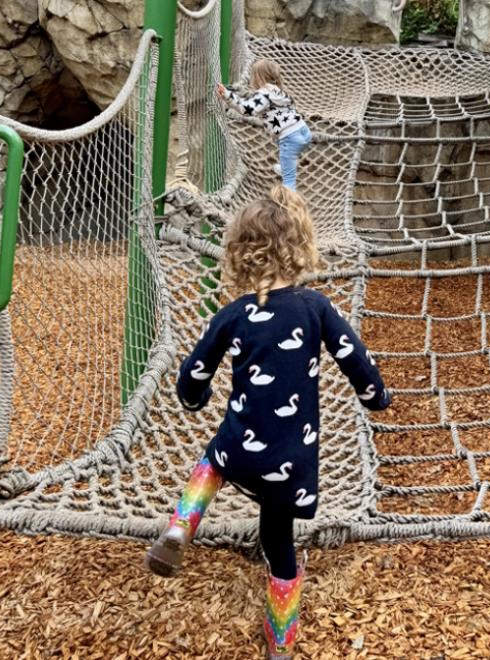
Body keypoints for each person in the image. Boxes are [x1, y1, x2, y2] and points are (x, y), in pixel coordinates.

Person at [145, 185, 390, 659]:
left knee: (213, 460)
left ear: (241, 253)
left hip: (241, 447)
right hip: (290, 459)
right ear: (300, 248)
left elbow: (193, 373)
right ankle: (280, 641)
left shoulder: (233, 315)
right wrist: (376, 396)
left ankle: (181, 525)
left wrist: (194, 399)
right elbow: (354, 358)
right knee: (279, 544)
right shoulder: (316, 308)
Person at [216, 59, 312, 191]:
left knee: (289, 178)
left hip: (290, 138)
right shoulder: (279, 91)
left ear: (258, 77)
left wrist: (227, 95)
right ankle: (288, 164)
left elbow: (247, 109)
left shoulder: (263, 94)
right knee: (285, 147)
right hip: (304, 132)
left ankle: (289, 199)